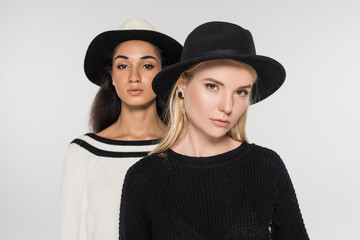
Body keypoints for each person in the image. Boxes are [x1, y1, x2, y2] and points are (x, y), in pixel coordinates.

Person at [119, 21, 310, 240]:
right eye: (213, 86)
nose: (227, 107)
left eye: (240, 92)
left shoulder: (266, 167)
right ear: (182, 84)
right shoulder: (144, 179)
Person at [60, 18, 182, 240]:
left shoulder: (185, 147)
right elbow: (70, 233)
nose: (134, 77)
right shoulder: (85, 152)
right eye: (123, 65)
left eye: (147, 65)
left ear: (162, 73)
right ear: (112, 76)